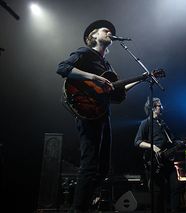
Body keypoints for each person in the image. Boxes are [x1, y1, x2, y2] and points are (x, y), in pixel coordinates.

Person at [57, 20, 142, 213]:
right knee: (90, 164)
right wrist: (93, 77)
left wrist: (141, 79)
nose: (110, 32)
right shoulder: (86, 53)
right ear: (93, 36)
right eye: (106, 30)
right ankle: (78, 209)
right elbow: (62, 68)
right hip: (87, 113)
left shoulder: (107, 64)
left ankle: (89, 204)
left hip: (103, 114)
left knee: (103, 167)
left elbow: (116, 96)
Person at [134, 97, 185, 213]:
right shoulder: (145, 123)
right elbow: (137, 142)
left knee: (176, 187)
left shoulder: (163, 123)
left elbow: (173, 141)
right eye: (159, 105)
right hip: (155, 162)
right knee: (157, 193)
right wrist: (152, 146)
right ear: (152, 108)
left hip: (167, 161)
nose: (162, 107)